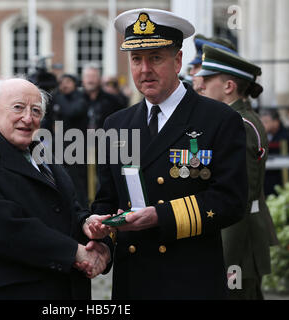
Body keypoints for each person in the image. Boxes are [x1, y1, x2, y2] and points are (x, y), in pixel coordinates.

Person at [90, 8, 248, 299]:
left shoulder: (218, 119)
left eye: (155, 58)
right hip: (133, 280)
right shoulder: (116, 123)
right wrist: (100, 235)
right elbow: (107, 199)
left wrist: (160, 216)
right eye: (136, 59)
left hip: (190, 279)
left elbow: (231, 200)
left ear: (177, 61)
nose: (144, 69)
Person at [0, 77, 113, 300]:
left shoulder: (42, 157)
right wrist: (75, 252)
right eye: (18, 108)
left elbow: (69, 208)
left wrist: (88, 225)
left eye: (36, 111)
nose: (28, 118)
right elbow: (6, 229)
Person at [196, 44, 279, 299]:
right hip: (239, 236)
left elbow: (239, 198)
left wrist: (227, 256)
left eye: (208, 81)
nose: (200, 86)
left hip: (238, 239)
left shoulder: (238, 126)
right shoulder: (237, 121)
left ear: (229, 87)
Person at [52, 74, 89, 208]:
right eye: (61, 82)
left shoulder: (80, 98)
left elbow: (72, 112)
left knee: (78, 182)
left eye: (68, 81)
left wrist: (58, 98)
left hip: (76, 147)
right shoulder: (57, 99)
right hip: (59, 147)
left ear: (75, 83)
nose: (64, 85)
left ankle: (83, 209)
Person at [260, 109, 289, 196]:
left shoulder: (284, 137)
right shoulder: (267, 135)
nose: (263, 125)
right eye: (261, 122)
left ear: (276, 122)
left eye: (266, 122)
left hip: (278, 182)